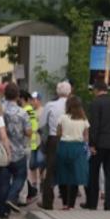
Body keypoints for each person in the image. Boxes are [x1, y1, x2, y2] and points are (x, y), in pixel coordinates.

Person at [85, 80, 110, 210]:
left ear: (96, 90)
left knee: (93, 173)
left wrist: (92, 144)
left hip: (100, 144)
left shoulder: (95, 103)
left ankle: (91, 203)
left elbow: (94, 125)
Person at [38, 81, 71, 210]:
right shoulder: (73, 105)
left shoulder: (50, 105)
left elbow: (42, 124)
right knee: (67, 170)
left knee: (50, 171)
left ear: (57, 92)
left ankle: (48, 202)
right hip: (69, 139)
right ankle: (67, 202)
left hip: (53, 139)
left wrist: (44, 139)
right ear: (70, 92)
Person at [55, 95, 90, 210]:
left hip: (64, 146)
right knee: (75, 176)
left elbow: (58, 133)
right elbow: (86, 137)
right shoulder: (84, 120)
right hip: (78, 147)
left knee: (63, 174)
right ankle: (71, 203)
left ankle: (65, 203)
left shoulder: (63, 118)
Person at [2, 83, 32, 213]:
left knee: (4, 178)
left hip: (3, 149)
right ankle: (11, 197)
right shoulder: (22, 112)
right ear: (18, 96)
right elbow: (28, 131)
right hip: (19, 150)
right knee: (20, 176)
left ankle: (3, 207)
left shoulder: (0, 110)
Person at [22, 90, 44, 203]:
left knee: (38, 165)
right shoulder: (32, 111)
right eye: (32, 99)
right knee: (32, 166)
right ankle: (34, 187)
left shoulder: (41, 111)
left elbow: (36, 127)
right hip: (33, 143)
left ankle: (37, 189)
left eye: (35, 100)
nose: (33, 101)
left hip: (36, 142)